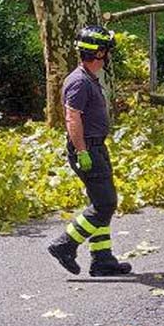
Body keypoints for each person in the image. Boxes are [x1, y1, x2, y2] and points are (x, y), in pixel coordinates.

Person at [46, 25, 133, 277]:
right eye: (107, 52)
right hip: (88, 149)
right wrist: (82, 151)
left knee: (100, 203)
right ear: (100, 53)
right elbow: (72, 118)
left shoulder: (88, 78)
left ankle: (102, 260)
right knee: (105, 204)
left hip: (96, 147)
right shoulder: (79, 82)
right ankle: (65, 245)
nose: (109, 57)